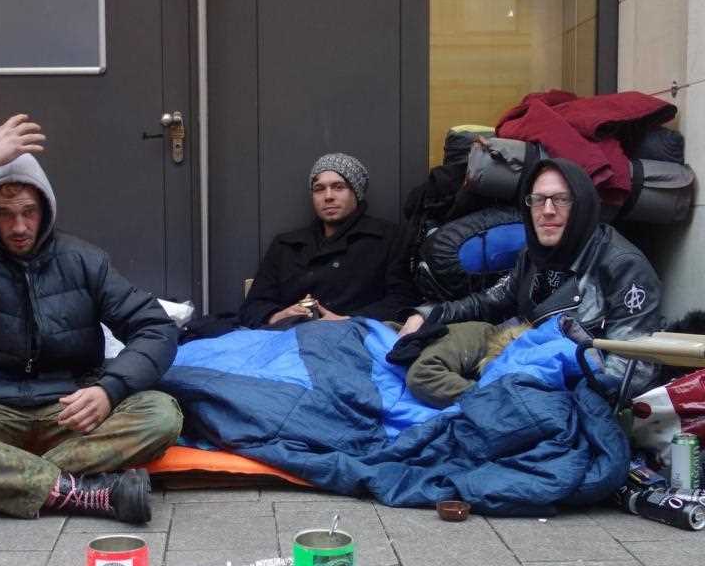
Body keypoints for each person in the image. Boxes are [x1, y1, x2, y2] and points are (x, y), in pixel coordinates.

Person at [0, 114, 183, 523]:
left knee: (162, 414)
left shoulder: (84, 260)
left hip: (71, 409)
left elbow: (155, 328)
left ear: (45, 210)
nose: (19, 226)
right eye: (6, 213)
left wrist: (109, 391)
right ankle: (84, 492)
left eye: (28, 211)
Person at [397, 157, 663, 395]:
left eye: (561, 199)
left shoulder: (622, 265)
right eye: (538, 199)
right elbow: (489, 301)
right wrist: (427, 314)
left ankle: (484, 399)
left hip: (568, 387)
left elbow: (631, 367)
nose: (547, 210)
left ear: (582, 204)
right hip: (520, 360)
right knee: (398, 339)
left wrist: (545, 397)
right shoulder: (534, 254)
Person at [238, 153, 418, 328]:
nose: (328, 196)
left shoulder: (389, 238)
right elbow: (253, 306)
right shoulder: (286, 245)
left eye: (338, 187)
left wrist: (348, 320)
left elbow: (403, 300)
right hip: (286, 338)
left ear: (356, 193)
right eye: (319, 188)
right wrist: (278, 315)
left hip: (354, 340)